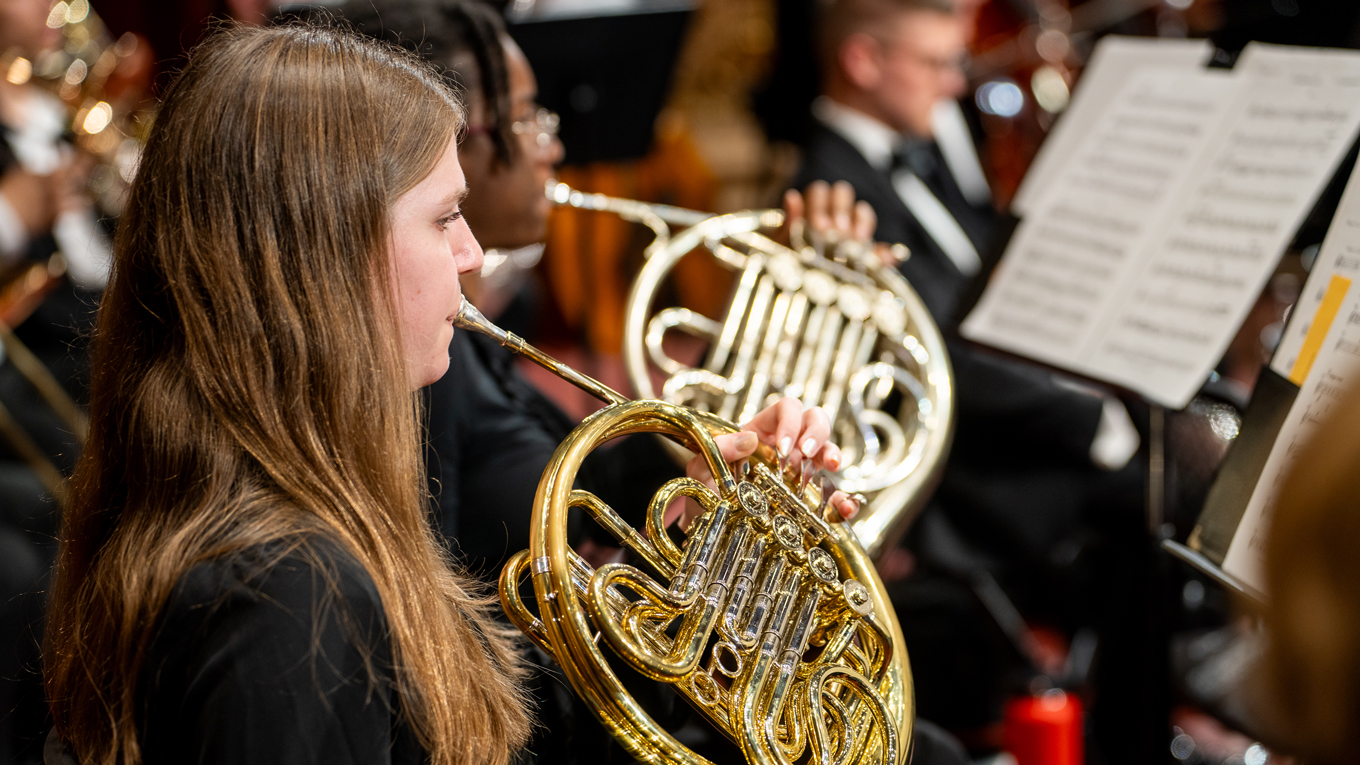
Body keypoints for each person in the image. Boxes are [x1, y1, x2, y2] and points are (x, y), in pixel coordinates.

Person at [42, 20, 853, 765]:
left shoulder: (312, 512)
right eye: (444, 218)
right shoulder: (286, 601)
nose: (471, 255)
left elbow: (501, 721)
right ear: (322, 253)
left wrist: (720, 557)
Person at [794, 0, 1147, 748]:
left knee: (1161, 445)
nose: (957, 84)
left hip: (1002, 422)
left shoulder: (922, 149)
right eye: (937, 63)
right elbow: (936, 358)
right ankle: (1122, 729)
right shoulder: (831, 189)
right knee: (1150, 504)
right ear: (864, 61)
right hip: (969, 470)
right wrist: (1088, 416)